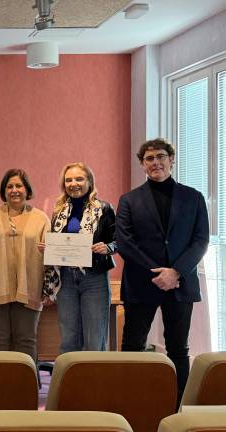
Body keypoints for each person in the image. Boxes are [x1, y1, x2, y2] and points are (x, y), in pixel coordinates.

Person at [116, 138, 209, 404]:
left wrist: (176, 272)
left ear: (171, 159)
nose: (155, 162)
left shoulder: (194, 197)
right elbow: (125, 242)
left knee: (179, 349)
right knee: (133, 346)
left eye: (160, 156)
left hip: (180, 285)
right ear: (142, 164)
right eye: (149, 159)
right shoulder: (129, 200)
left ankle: (179, 404)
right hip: (141, 283)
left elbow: (200, 240)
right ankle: (129, 400)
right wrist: (158, 273)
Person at [43, 162, 116, 352]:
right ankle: (69, 381)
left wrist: (108, 247)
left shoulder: (104, 209)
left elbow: (119, 240)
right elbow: (59, 242)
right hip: (66, 280)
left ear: (89, 181)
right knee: (69, 339)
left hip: (94, 279)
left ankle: (95, 382)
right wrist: (48, 249)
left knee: (94, 340)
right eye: (68, 180)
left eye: (79, 179)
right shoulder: (59, 210)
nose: (73, 183)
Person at [0, 169, 49, 362]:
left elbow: (51, 256)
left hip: (30, 287)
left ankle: (25, 387)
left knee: (26, 341)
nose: (14, 190)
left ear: (27, 189)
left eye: (19, 185)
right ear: (4, 190)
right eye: (10, 186)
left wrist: (49, 288)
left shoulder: (41, 218)